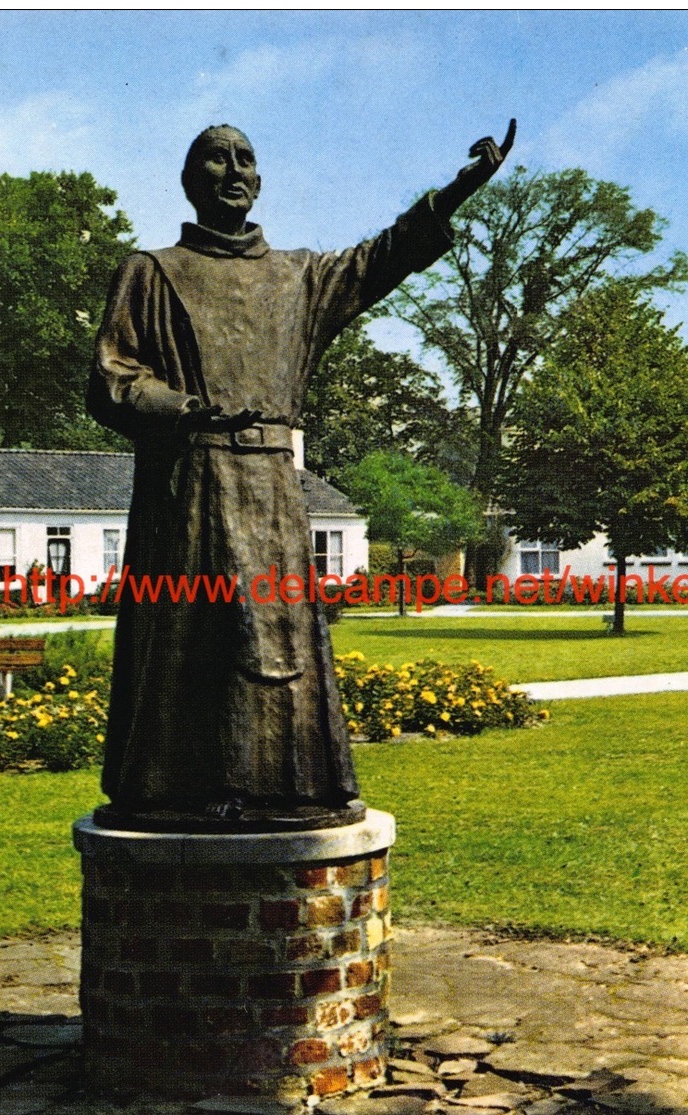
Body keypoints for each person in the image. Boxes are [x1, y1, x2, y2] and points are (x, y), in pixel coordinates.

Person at [88, 120, 514, 829]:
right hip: (188, 486)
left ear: (260, 179)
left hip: (273, 492)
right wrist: (185, 407)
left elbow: (384, 256)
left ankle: (284, 787)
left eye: (245, 159)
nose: (233, 171)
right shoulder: (150, 271)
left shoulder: (299, 277)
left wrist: (458, 192)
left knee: (274, 643)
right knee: (192, 640)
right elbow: (111, 378)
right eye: (216, 159)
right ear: (190, 180)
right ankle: (177, 790)